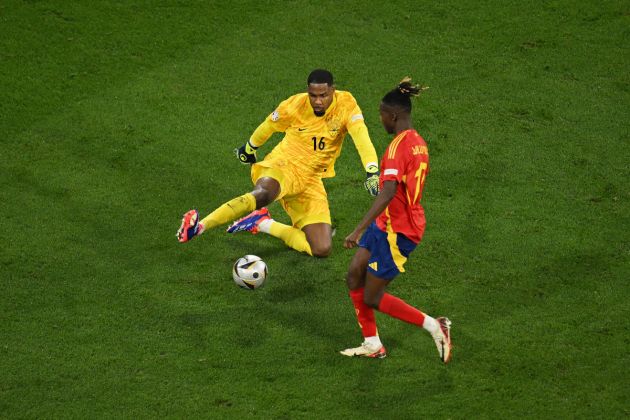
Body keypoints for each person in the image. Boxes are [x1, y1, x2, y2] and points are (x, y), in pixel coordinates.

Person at [177, 69, 379, 257]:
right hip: (283, 165)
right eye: (313, 95)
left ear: (333, 91)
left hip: (310, 181)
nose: (317, 101)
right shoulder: (294, 105)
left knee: (321, 248)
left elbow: (361, 137)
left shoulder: (346, 104)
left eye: (323, 96)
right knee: (263, 195)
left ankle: (263, 223)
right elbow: (269, 126)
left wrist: (372, 171)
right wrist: (249, 148)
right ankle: (199, 227)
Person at [339, 78, 452, 362]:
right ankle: (372, 344)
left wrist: (357, 229)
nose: (381, 120)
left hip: (398, 231)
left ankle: (433, 326)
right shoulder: (417, 143)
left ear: (394, 115)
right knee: (354, 273)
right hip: (387, 224)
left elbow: (388, 193)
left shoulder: (396, 149)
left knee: (373, 297)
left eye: (381, 115)